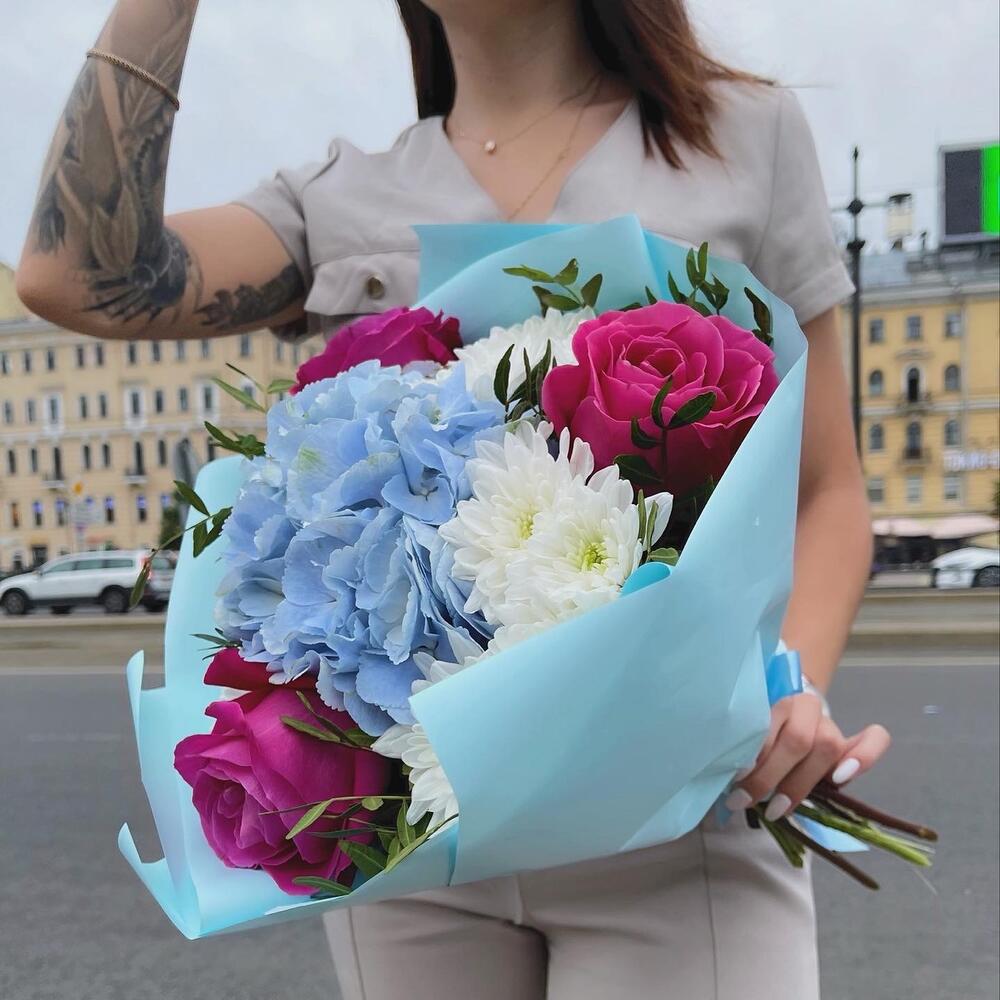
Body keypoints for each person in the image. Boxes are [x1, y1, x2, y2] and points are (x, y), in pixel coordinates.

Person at [17, 1, 891, 996]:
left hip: (683, 821)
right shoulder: (337, 198)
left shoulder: (737, 140)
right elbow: (75, 276)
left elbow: (825, 489)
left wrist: (791, 692)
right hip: (417, 845)